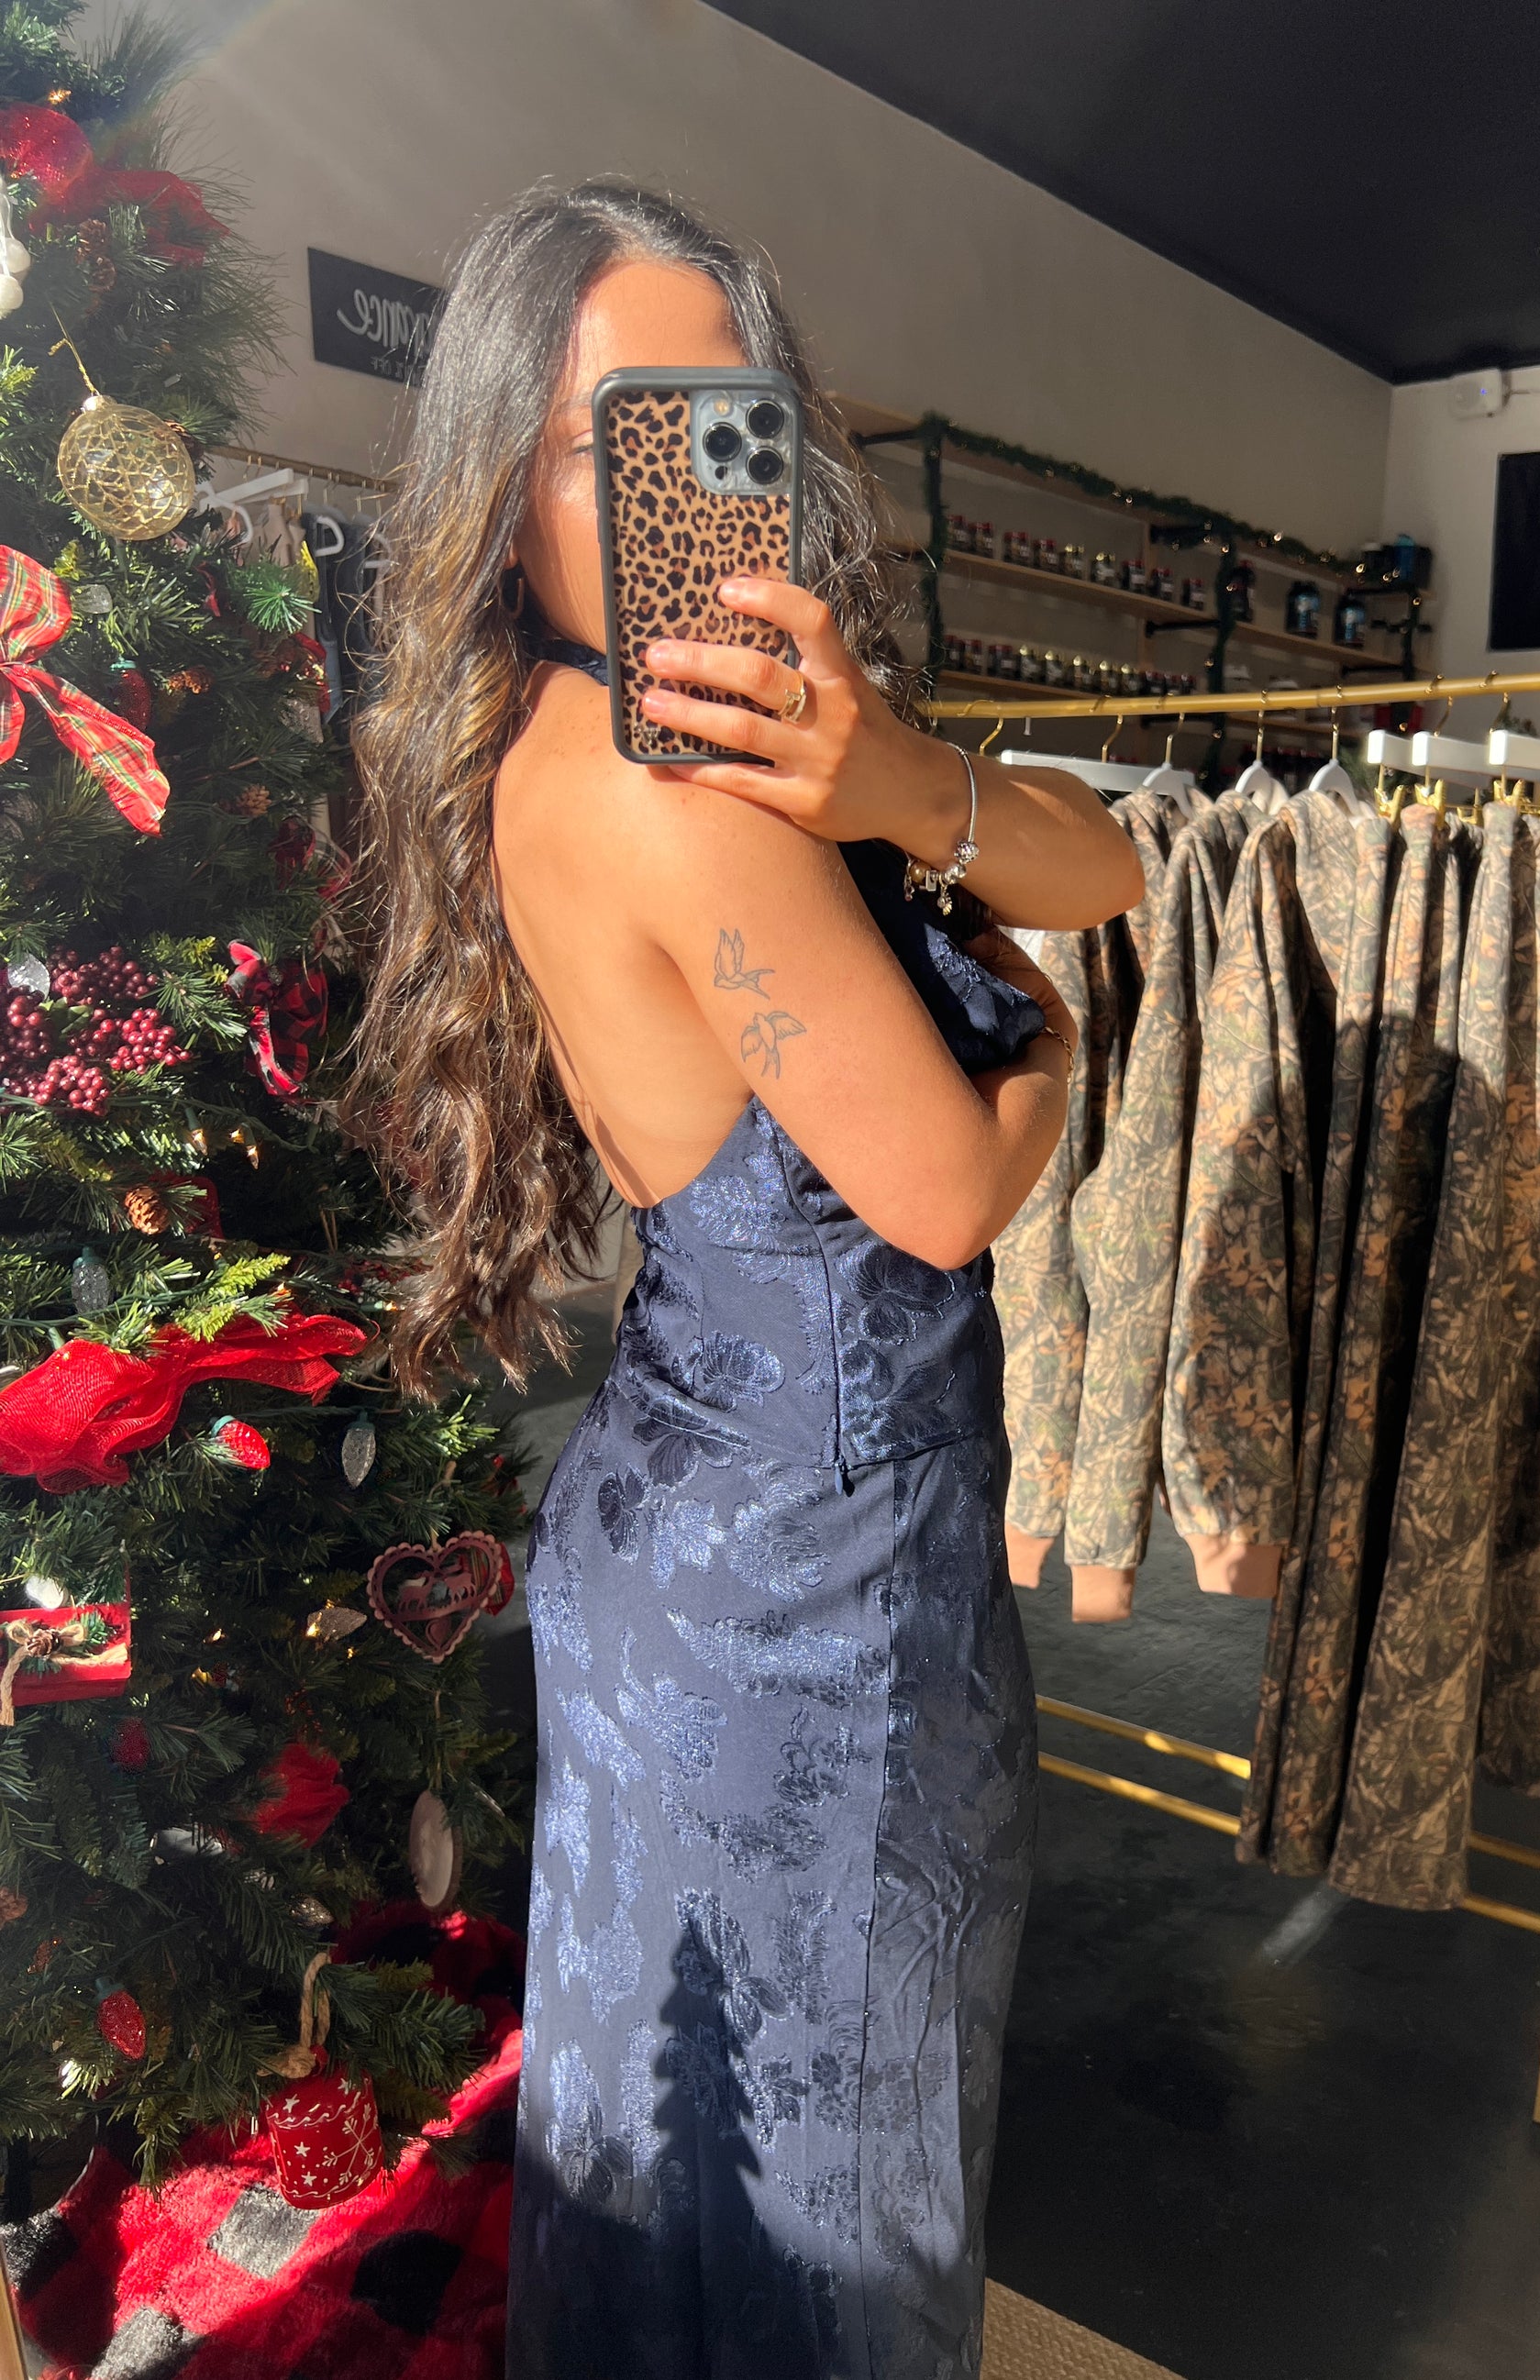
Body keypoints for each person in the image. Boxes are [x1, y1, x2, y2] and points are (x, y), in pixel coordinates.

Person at [349, 180, 1143, 2380]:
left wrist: (892, 770)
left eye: (721, 424)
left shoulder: (613, 739)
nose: (675, 490)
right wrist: (1045, 1049)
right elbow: (948, 1190)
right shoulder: (682, 792)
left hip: (692, 1525)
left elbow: (1102, 855)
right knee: (823, 2187)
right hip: (815, 1592)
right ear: (504, 473)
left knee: (676, 2134)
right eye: (604, 438)